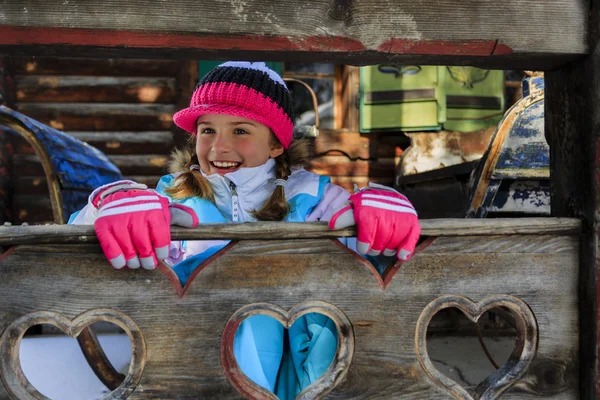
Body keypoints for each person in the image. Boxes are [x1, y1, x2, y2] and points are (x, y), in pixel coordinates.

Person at [69, 61, 420, 398]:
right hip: (191, 369)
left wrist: (382, 207)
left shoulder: (312, 198)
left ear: (276, 143)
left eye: (240, 130)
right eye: (207, 130)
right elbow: (71, 243)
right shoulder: (173, 197)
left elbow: (369, 256)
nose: (219, 146)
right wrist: (110, 203)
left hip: (300, 371)